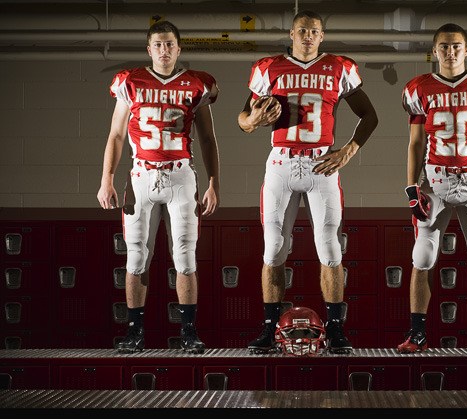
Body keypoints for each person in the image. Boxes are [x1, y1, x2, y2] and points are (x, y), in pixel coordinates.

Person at [237, 10, 378, 354]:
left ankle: (336, 329)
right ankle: (269, 329)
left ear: (322, 35)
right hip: (281, 163)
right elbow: (243, 120)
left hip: (321, 163)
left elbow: (370, 115)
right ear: (291, 33)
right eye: (302, 31)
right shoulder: (269, 67)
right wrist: (254, 119)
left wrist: (347, 151)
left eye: (314, 31)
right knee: (273, 248)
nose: (308, 36)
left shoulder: (339, 67)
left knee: (330, 248)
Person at [97, 20, 220, 354]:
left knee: (185, 256)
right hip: (141, 176)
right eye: (158, 44)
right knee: (136, 256)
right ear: (148, 48)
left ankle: (189, 331)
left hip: (181, 175)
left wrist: (213, 183)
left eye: (170, 44)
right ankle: (134, 331)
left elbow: (208, 138)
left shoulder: (197, 84)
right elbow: (117, 134)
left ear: (179, 48)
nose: (164, 50)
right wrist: (106, 179)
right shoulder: (130, 82)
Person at [398, 23, 467, 353]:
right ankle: (416, 332)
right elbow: (415, 143)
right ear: (434, 52)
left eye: (456, 46)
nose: (450, 52)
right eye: (444, 46)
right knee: (422, 256)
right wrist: (410, 187)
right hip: (434, 180)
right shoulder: (419, 88)